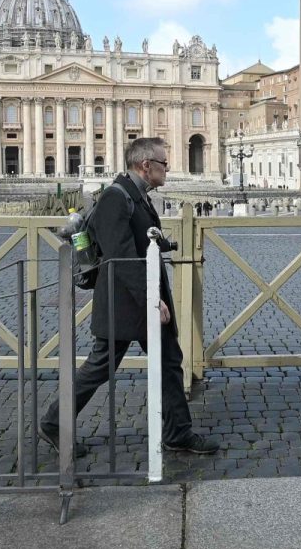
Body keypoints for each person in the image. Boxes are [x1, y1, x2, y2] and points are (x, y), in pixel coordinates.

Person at [41, 138, 219, 456]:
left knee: (168, 362)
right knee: (99, 367)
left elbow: (136, 239)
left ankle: (178, 432)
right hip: (125, 301)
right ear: (145, 165)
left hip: (140, 298)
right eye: (164, 163)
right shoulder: (115, 196)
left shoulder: (136, 195)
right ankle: (54, 422)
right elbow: (120, 253)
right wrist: (153, 299)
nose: (168, 169)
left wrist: (165, 245)